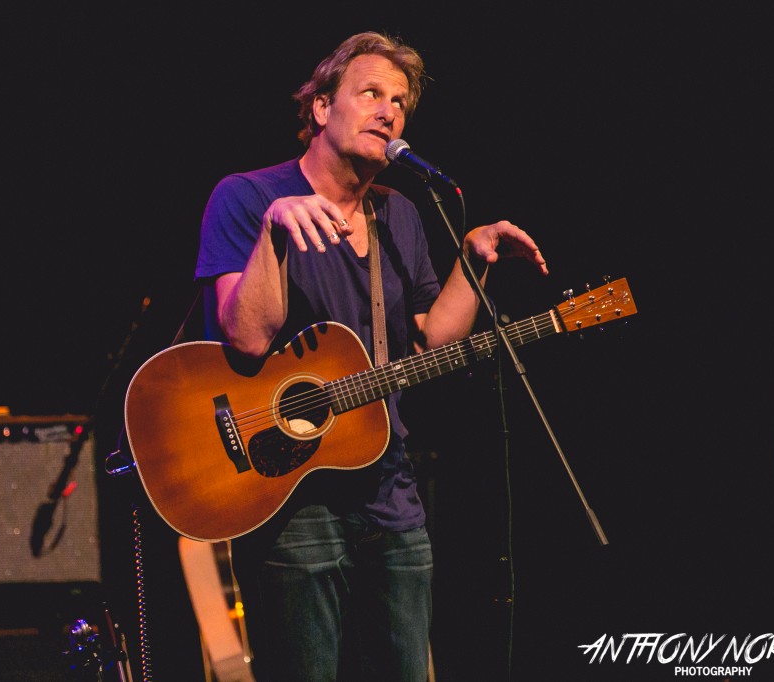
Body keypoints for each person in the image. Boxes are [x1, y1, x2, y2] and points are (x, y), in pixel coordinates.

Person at [193, 31, 548, 682]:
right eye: (371, 93)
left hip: (391, 495)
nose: (390, 110)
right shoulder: (245, 198)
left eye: (401, 102)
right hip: (290, 497)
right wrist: (274, 234)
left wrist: (471, 262)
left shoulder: (401, 215)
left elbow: (431, 343)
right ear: (322, 108)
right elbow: (244, 337)